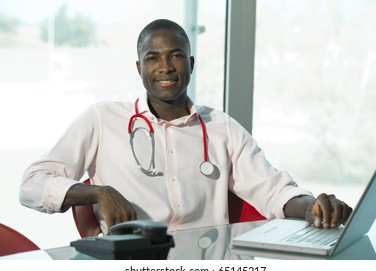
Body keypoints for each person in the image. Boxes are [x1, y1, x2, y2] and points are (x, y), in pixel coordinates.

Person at [20, 19, 352, 235]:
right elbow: (32, 185)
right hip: (133, 265)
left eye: (176, 55)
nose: (165, 67)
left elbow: (272, 189)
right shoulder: (102, 120)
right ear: (139, 68)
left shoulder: (221, 126)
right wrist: (97, 192)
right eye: (153, 58)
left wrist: (312, 207)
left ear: (190, 64)